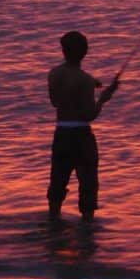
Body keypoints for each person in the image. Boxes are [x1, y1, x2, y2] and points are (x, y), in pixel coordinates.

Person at [47, 31, 119, 222]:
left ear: (63, 50)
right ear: (85, 52)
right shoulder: (85, 80)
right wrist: (104, 98)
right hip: (81, 137)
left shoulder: (54, 74)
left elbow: (56, 101)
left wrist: (88, 84)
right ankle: (87, 232)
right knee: (88, 185)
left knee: (57, 183)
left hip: (61, 133)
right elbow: (89, 115)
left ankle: (53, 225)